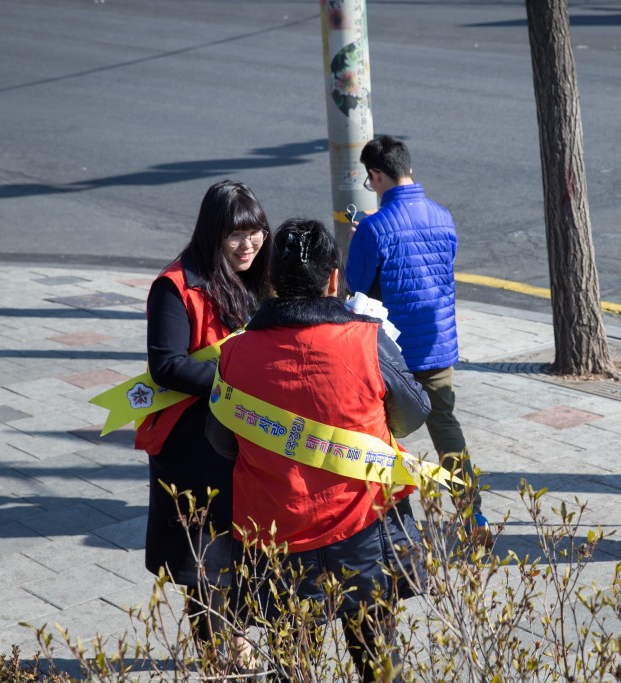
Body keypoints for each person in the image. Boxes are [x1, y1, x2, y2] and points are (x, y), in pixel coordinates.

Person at [205, 218, 431, 682]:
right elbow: (413, 414)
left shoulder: (235, 354)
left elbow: (220, 440)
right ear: (333, 279)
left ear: (269, 281)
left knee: (294, 664)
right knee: (379, 661)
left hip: (276, 533)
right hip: (365, 528)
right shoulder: (367, 340)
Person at [137, 179, 271, 656]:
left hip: (240, 437)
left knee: (244, 545)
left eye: (255, 231)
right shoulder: (174, 287)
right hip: (191, 444)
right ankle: (221, 647)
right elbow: (166, 364)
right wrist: (232, 384)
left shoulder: (258, 275)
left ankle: (235, 633)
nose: (248, 243)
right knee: (205, 556)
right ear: (211, 233)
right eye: (235, 234)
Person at [345, 134, 493, 546]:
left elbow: (356, 290)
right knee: (446, 426)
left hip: (390, 355)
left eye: (370, 180)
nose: (370, 187)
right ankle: (473, 513)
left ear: (377, 175)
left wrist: (361, 238)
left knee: (379, 430)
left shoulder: (374, 228)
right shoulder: (443, 217)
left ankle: (381, 513)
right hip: (437, 345)